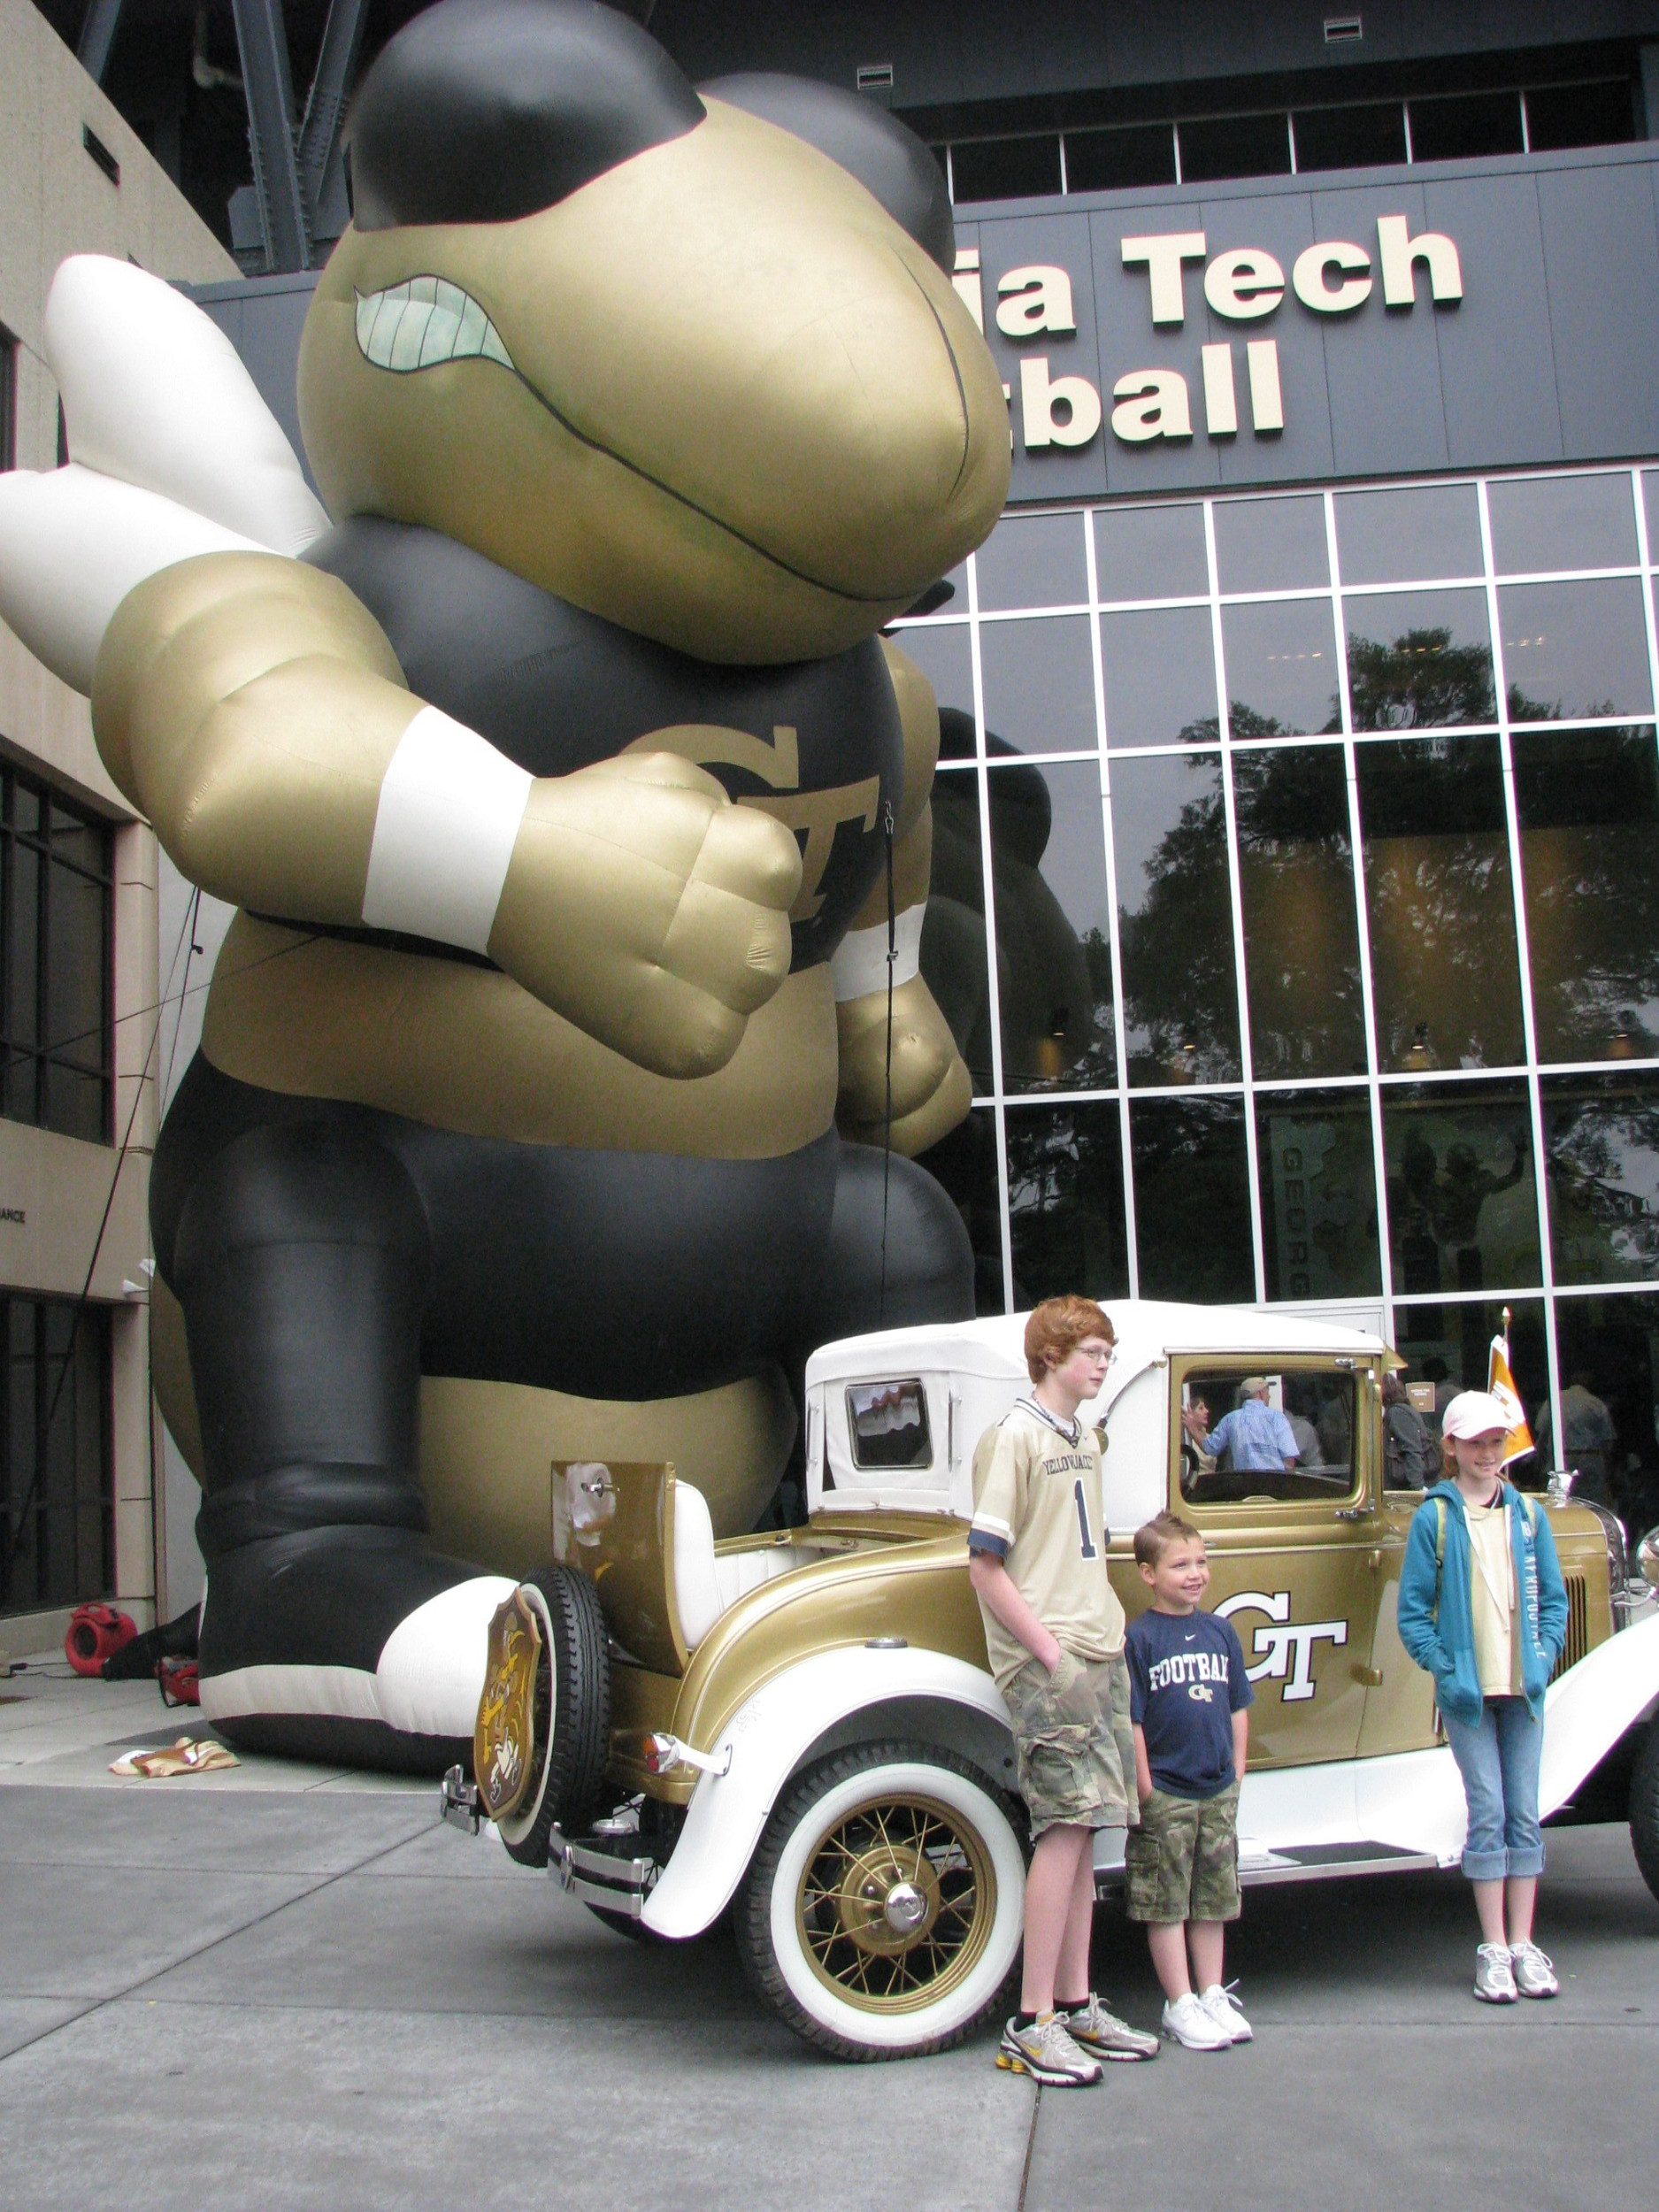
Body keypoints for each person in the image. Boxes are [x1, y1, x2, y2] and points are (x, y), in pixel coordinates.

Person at [968, 1295, 1160, 2086]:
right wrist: (1047, 1653)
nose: (1102, 1363)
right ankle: (1031, 2018)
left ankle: (1075, 2003)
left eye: (1106, 1352)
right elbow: (983, 1563)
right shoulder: (1012, 1437)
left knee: (1090, 1832)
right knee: (1063, 1829)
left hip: (1097, 1643)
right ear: (1050, 1355)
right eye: (1089, 1351)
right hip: (1056, 1658)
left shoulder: (1081, 1434)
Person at [1396, 1390, 1571, 2004]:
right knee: (1488, 1812)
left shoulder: (1526, 1515)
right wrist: (1446, 1670)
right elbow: (1411, 1614)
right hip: (1470, 1695)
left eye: (1495, 1442)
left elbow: (1553, 1599)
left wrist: (1543, 1656)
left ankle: (1522, 1943)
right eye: (1474, 1443)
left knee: (1524, 1812)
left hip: (1521, 1692)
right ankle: (1492, 1947)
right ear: (1450, 1447)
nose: (1487, 1453)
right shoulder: (1435, 1518)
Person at [1124, 1511, 1254, 2052]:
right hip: (1168, 1792)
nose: (1195, 1573)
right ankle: (1178, 2002)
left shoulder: (1221, 1631)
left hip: (1216, 1788)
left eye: (1201, 1562)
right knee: (1167, 1900)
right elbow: (1131, 1718)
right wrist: (1146, 1785)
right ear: (1149, 1574)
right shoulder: (1140, 1638)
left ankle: (1211, 1991)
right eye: (1180, 1565)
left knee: (1213, 1897)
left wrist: (1238, 1768)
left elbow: (1238, 1705)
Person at [1534, 1371, 1617, 1509]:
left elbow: (1541, 1433)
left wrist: (1540, 1462)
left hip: (1561, 1459)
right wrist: (1607, 1467)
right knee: (1593, 1504)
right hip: (1590, 1460)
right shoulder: (1596, 1403)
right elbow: (1608, 1441)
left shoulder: (1554, 1400)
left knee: (1560, 1502)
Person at [1181, 1377, 1298, 1472]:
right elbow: (1289, 1460)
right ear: (1261, 1393)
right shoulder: (1277, 1418)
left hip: (1244, 1485)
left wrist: (1191, 1428)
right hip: (1275, 1483)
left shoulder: (1230, 1419)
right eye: (1267, 1391)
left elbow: (1210, 1448)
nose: (1269, 1396)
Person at [1382, 1371, 1440, 1490]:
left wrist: (1417, 1488)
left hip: (1408, 1486)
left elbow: (1412, 1449)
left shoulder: (1397, 1413)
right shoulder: (1405, 1410)